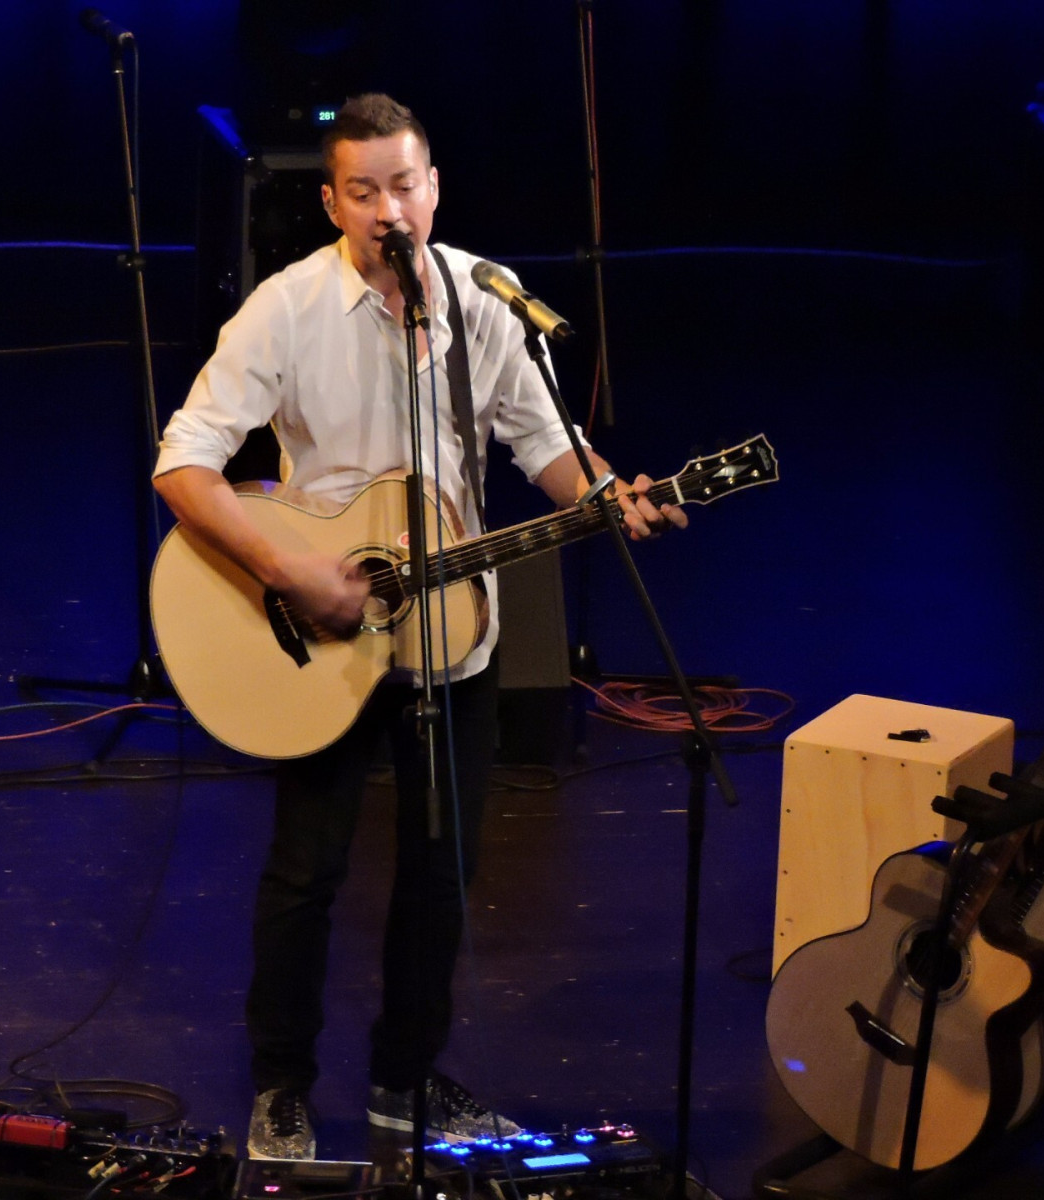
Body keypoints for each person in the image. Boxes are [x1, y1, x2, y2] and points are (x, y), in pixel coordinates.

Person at [152, 93, 685, 1160]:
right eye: (364, 192)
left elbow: (548, 449)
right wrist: (289, 569)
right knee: (307, 872)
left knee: (443, 873)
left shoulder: (486, 301)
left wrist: (609, 492)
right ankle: (281, 1086)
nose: (388, 210)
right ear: (331, 202)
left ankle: (406, 1082)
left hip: (453, 636)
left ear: (433, 188)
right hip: (321, 634)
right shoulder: (287, 308)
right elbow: (183, 461)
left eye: (404, 186)